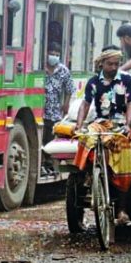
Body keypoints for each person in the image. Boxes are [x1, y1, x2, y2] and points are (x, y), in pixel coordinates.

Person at [74, 48, 131, 224]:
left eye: (116, 64)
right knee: (87, 138)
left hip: (119, 123)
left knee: (124, 150)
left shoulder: (126, 80)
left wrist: (128, 124)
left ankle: (122, 210)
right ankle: (89, 174)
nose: (114, 67)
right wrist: (78, 126)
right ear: (102, 64)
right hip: (100, 122)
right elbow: (85, 104)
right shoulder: (93, 82)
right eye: (110, 64)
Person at [42, 41, 73, 175]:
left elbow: (69, 89)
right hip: (41, 111)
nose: (54, 56)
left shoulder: (63, 71)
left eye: (57, 54)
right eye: (51, 54)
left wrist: (66, 104)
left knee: (51, 140)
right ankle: (42, 163)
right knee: (42, 139)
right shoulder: (40, 69)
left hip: (55, 112)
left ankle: (49, 165)